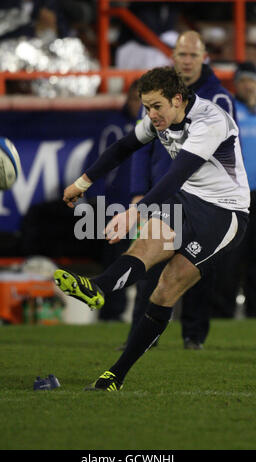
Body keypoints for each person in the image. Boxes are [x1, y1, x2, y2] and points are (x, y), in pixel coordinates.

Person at [54, 66, 249, 391]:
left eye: (156, 106)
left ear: (177, 99)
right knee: (142, 247)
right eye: (146, 107)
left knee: (166, 286)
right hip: (188, 200)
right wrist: (82, 182)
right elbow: (121, 149)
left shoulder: (210, 121)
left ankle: (116, 374)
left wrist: (134, 212)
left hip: (225, 212)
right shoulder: (160, 118)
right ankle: (98, 288)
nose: (150, 114)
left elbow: (176, 175)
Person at [125, 30, 237, 351]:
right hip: (163, 192)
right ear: (172, 58)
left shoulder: (218, 99)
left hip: (203, 198)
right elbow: (139, 147)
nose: (187, 61)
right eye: (181, 55)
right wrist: (137, 190)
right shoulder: (155, 95)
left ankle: (194, 336)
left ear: (204, 58)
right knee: (149, 264)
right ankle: (142, 336)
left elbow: (229, 152)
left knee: (197, 266)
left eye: (193, 55)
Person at [86, 79, 141, 322]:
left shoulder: (158, 128)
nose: (136, 104)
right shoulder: (113, 128)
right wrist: (96, 200)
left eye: (141, 99)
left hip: (145, 205)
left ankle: (145, 314)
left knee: (144, 258)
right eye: (133, 98)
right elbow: (94, 164)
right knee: (115, 257)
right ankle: (111, 312)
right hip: (114, 206)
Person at [210, 62, 256, 318]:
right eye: (243, 80)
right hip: (234, 196)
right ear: (236, 84)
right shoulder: (228, 111)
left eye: (252, 80)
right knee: (229, 257)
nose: (248, 85)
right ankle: (222, 313)